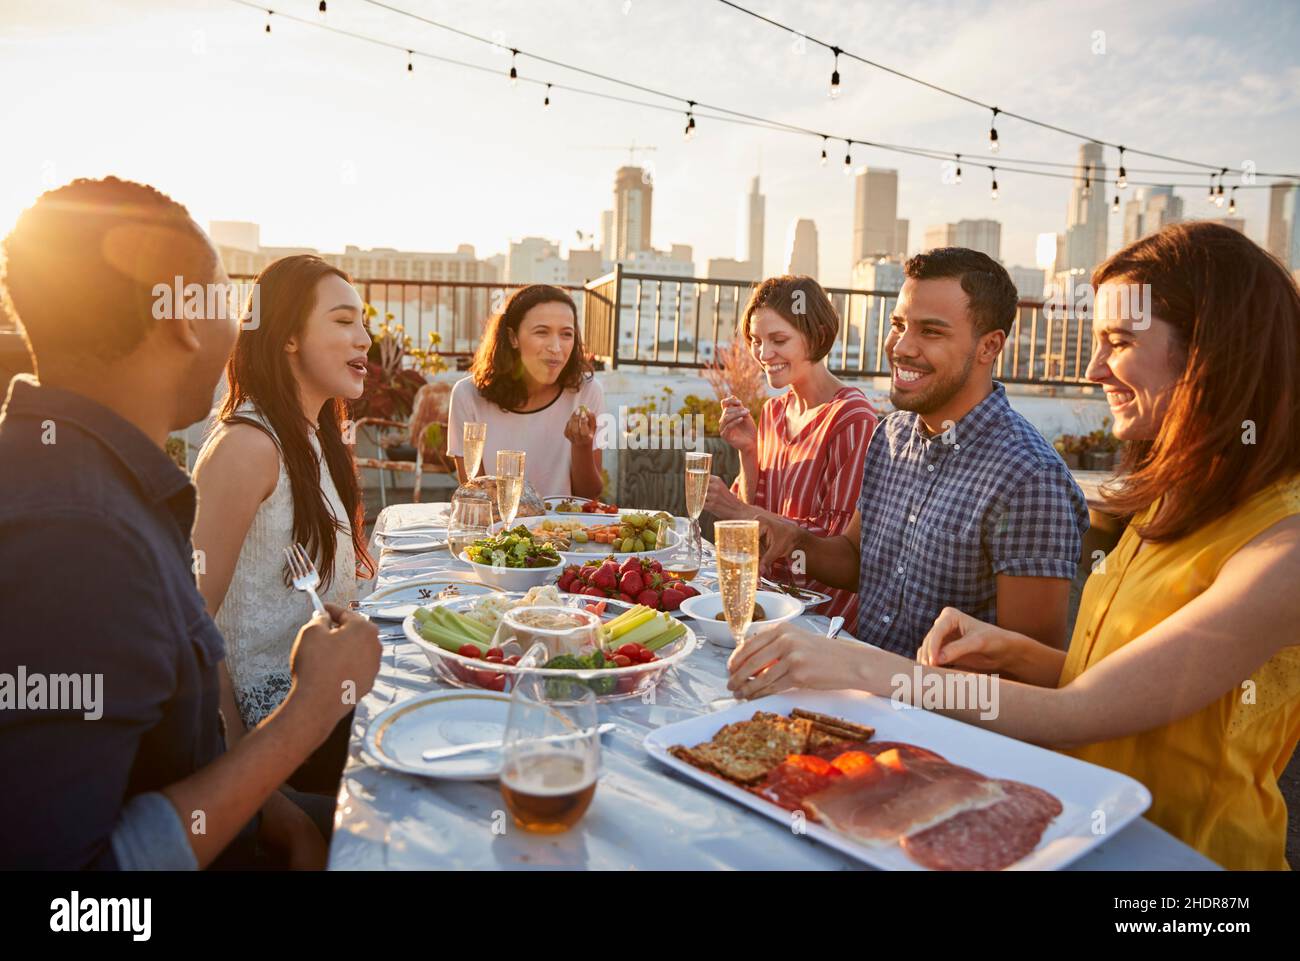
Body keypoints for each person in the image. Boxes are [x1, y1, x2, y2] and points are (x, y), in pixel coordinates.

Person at [726, 223, 1300, 870]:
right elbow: (1120, 678)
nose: (1092, 368)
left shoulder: (1282, 549)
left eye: (1120, 342)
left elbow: (1085, 711)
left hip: (1180, 858)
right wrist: (1017, 652)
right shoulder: (1167, 504)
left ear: (1213, 353)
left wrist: (858, 668)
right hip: (1067, 826)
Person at [0, 178, 380, 869]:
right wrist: (309, 711)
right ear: (184, 318)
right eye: (227, 301)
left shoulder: (97, 482)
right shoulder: (77, 535)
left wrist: (277, 802)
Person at [757, 248, 1088, 654]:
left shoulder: (1030, 479)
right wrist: (795, 540)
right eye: (899, 324)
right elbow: (856, 560)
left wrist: (888, 681)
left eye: (930, 331)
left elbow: (1029, 675)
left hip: (937, 714)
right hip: (859, 688)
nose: (902, 347)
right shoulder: (891, 436)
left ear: (989, 347)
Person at [192, 254, 376, 795]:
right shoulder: (247, 447)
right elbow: (190, 635)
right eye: (343, 322)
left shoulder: (313, 436)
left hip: (321, 700)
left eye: (362, 322)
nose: (364, 338)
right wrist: (263, 806)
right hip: (275, 733)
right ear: (288, 337)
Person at [702, 275, 877, 623]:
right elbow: (756, 520)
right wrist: (749, 454)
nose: (764, 354)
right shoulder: (774, 412)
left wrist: (736, 508)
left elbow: (834, 548)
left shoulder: (852, 419)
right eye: (756, 341)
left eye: (779, 339)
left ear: (817, 335)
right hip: (769, 600)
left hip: (821, 617)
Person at [446, 284, 603, 498]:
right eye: (542, 332)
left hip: (563, 529)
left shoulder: (587, 391)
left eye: (566, 334)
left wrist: (582, 446)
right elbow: (475, 494)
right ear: (513, 338)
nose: (556, 347)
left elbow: (589, 496)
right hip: (500, 528)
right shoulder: (467, 395)